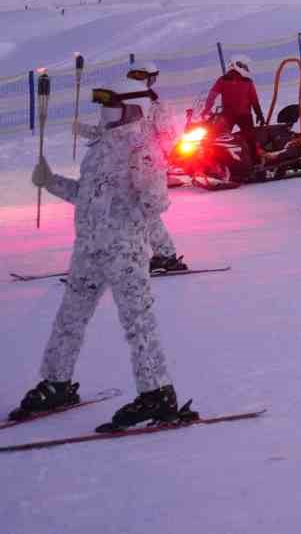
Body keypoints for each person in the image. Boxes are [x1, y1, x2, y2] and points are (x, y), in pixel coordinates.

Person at [11, 90, 198, 431]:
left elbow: (155, 202)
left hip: (123, 251)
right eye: (103, 109)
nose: (105, 116)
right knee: (69, 317)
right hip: (88, 250)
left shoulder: (142, 148)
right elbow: (86, 196)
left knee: (137, 324)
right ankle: (57, 382)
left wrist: (140, 200)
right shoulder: (99, 150)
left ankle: (157, 392)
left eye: (112, 109)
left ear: (128, 111)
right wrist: (50, 181)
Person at [127, 66, 185, 274]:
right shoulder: (124, 103)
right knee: (123, 211)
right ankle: (123, 255)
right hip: (128, 167)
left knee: (147, 212)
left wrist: (164, 157)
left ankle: (166, 256)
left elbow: (168, 135)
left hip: (149, 167)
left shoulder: (156, 106)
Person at [202, 56, 265, 170]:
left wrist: (258, 113)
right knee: (221, 139)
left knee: (244, 138)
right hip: (233, 115)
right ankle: (224, 163)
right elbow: (212, 95)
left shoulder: (245, 81)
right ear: (237, 65)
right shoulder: (225, 80)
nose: (247, 69)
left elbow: (212, 95)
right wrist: (207, 110)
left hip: (238, 115)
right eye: (245, 66)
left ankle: (253, 163)